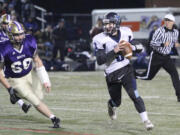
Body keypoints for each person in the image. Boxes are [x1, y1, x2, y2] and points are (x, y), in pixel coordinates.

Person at [93, 12, 154, 130]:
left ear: (117, 23)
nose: (108, 26)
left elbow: (138, 47)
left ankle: (146, 121)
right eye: (106, 24)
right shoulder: (99, 38)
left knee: (134, 95)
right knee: (117, 102)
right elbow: (100, 60)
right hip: (112, 73)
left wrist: (132, 47)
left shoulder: (126, 32)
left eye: (111, 23)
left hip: (126, 69)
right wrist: (114, 51)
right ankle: (111, 105)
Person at [0, 21, 60, 128]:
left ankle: (16, 96)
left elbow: (37, 60)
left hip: (29, 73)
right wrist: (9, 88)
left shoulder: (29, 41)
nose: (20, 37)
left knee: (40, 95)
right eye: (17, 35)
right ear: (10, 35)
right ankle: (53, 118)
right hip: (15, 79)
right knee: (33, 99)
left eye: (21, 33)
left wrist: (45, 80)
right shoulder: (4, 49)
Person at [135, 14, 180, 102]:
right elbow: (152, 43)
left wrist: (176, 44)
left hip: (167, 57)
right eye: (165, 20)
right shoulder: (159, 30)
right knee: (148, 77)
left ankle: (179, 95)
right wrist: (162, 44)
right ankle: (132, 74)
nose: (166, 22)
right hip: (157, 56)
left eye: (169, 20)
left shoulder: (176, 32)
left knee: (175, 74)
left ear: (173, 22)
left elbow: (174, 41)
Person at [0, 14, 31, 113]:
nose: (6, 25)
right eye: (4, 23)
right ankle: (21, 104)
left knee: (11, 85)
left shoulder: (13, 33)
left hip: (8, 60)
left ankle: (21, 103)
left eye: (8, 23)